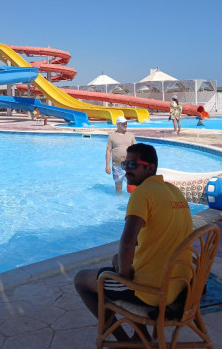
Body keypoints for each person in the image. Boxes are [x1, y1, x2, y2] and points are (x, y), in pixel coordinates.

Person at [75, 143, 193, 344]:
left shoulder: (142, 193)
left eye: (133, 165)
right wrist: (122, 264)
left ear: (150, 168)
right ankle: (140, 336)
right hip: (181, 285)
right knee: (117, 259)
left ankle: (126, 343)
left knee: (81, 279)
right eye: (125, 164)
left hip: (153, 292)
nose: (127, 169)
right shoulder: (174, 191)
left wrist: (122, 276)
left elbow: (128, 242)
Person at [105, 116, 136, 193]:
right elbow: (108, 151)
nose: (126, 125)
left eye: (126, 123)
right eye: (123, 123)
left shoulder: (130, 135)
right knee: (118, 186)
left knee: (132, 186)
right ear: (118, 125)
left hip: (129, 166)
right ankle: (118, 199)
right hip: (117, 166)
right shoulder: (112, 136)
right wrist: (107, 165)